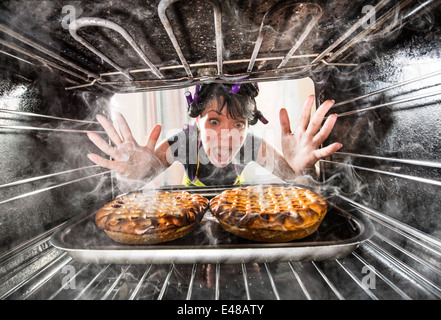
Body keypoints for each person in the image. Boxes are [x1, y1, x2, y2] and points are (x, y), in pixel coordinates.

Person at [86, 82, 342, 189]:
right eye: (214, 121)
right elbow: (141, 176)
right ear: (197, 120)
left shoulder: (252, 146)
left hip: (237, 217)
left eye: (238, 124)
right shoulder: (183, 143)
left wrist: (302, 171)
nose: (226, 138)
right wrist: (136, 175)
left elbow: (301, 184)